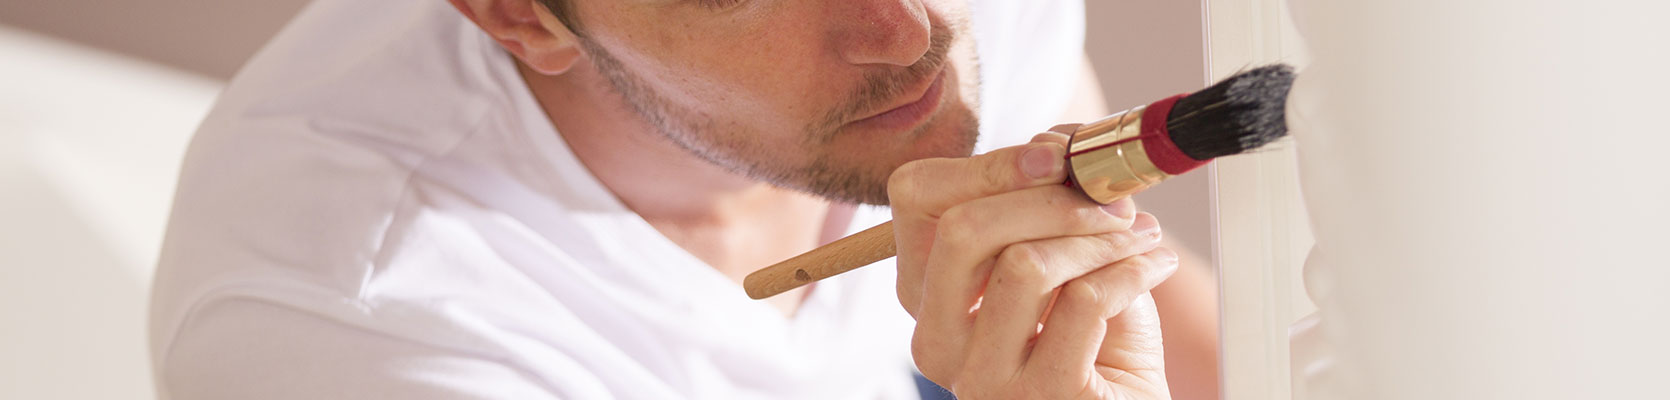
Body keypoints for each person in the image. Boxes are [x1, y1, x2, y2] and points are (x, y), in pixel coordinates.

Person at [148, 0, 1220, 398]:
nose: (909, 32)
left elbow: (1167, 315)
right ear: (521, 17)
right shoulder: (360, 328)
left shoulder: (952, 22)